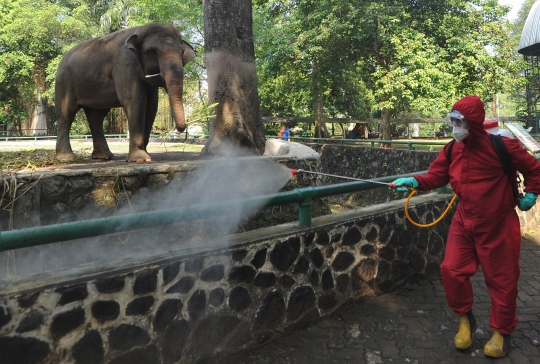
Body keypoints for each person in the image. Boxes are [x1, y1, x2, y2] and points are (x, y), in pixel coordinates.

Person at [390, 95, 540, 358]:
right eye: (452, 121)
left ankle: (502, 332)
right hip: (464, 219)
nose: (454, 127)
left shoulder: (502, 145)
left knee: (503, 280)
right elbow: (437, 175)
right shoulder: (452, 148)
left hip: (498, 221)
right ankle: (465, 319)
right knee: (451, 270)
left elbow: (534, 169)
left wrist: (532, 193)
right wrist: (415, 181)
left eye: (460, 122)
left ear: (474, 122)